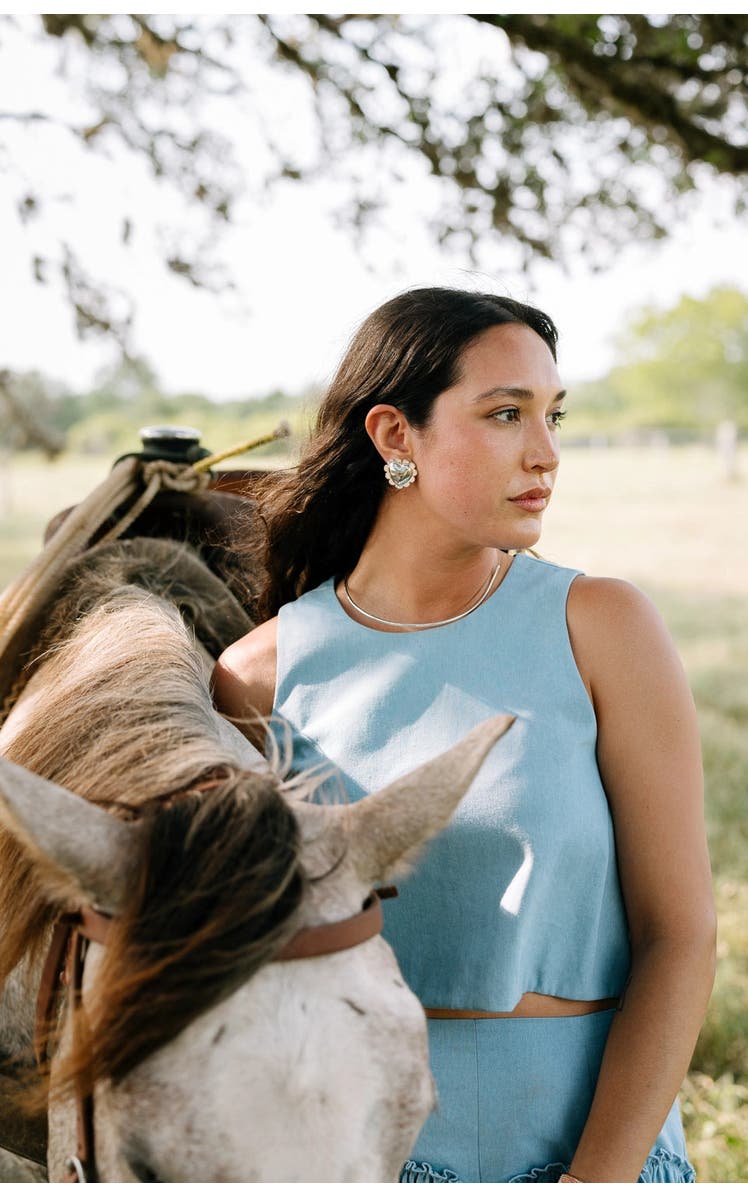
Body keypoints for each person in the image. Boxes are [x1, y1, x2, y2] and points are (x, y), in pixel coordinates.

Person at [212, 287, 715, 1183]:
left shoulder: (600, 626)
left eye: (553, 415)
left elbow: (679, 936)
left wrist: (595, 1180)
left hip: (591, 1148)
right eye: (505, 414)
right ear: (395, 436)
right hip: (351, 1152)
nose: (546, 453)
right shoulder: (255, 676)